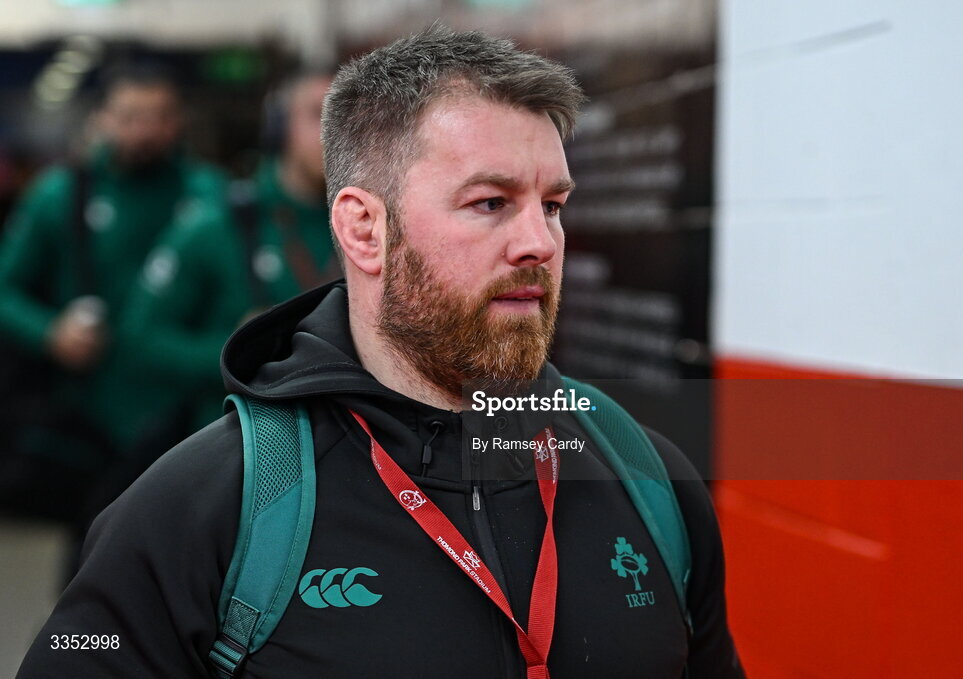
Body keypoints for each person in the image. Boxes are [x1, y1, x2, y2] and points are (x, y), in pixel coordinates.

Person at [16, 28, 744, 678]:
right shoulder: (204, 509)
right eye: (490, 202)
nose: (540, 242)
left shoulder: (648, 478)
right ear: (365, 230)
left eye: (551, 204)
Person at [0, 63, 224, 519]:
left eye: (158, 116)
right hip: (90, 414)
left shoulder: (211, 197)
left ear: (177, 121)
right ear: (102, 119)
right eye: (129, 116)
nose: (144, 130)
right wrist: (50, 332)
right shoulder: (60, 194)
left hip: (188, 411)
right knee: (91, 557)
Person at [118, 70, 336, 434]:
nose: (335, 131)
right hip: (241, 444)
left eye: (346, 116)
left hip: (344, 443)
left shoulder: (373, 226)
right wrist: (237, 351)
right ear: (278, 127)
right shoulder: (218, 223)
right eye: (317, 113)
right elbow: (139, 338)